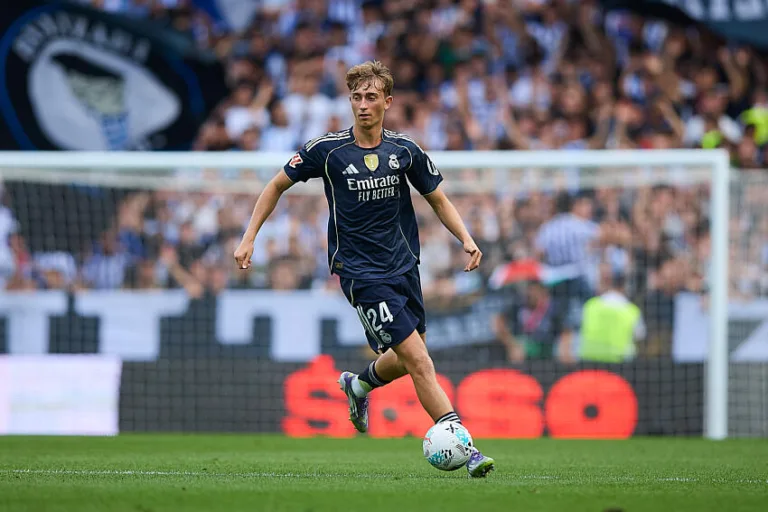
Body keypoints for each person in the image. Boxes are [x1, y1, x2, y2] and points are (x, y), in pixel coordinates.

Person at [234, 61, 495, 477]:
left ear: (388, 102)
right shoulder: (328, 151)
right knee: (420, 361)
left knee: (407, 357)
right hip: (361, 273)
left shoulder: (405, 151)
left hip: (404, 266)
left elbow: (438, 199)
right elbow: (276, 185)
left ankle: (358, 385)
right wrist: (249, 237)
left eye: (371, 97)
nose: (362, 104)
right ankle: (467, 448)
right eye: (356, 97)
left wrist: (465, 237)